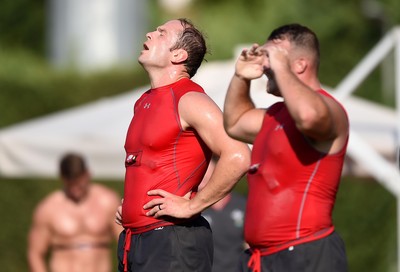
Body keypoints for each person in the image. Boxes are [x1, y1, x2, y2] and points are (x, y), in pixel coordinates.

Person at [116, 18, 250, 272]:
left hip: (171, 240)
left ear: (178, 55)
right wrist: (132, 204)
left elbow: (239, 154)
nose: (149, 33)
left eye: (161, 33)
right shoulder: (144, 101)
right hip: (136, 240)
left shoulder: (190, 99)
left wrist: (193, 205)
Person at [223, 24, 349, 272]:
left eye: (273, 55)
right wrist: (241, 77)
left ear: (300, 65)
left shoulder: (329, 108)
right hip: (262, 258)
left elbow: (309, 117)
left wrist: (279, 64)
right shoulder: (274, 116)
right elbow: (235, 123)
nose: (266, 65)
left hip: (306, 252)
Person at [27, 152, 123, 272]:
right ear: (62, 178)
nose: (75, 189)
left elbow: (125, 243)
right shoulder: (49, 208)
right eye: (70, 184)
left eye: (78, 183)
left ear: (87, 174)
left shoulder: (107, 201)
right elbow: (35, 253)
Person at [199, 156, 248, 272]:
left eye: (205, 170)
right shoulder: (190, 210)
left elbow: (251, 246)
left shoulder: (242, 204)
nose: (202, 176)